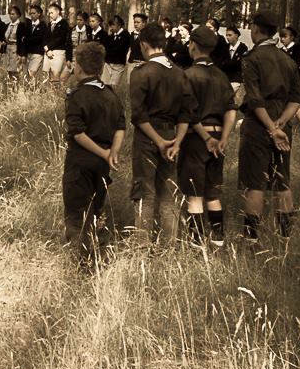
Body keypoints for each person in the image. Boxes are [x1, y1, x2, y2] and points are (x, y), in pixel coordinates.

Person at [126, 22, 192, 240]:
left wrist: (158, 141)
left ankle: (142, 243)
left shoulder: (141, 72)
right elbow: (186, 113)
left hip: (148, 135)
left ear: (144, 45)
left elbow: (138, 115)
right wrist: (177, 142)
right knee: (168, 192)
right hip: (172, 135)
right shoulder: (180, 73)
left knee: (144, 191)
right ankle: (170, 245)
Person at [239, 11, 300, 240]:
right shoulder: (288, 60)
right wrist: (281, 124)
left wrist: (271, 129)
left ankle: (251, 239)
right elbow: (296, 98)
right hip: (282, 122)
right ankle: (286, 237)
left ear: (255, 29)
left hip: (259, 123)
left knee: (255, 183)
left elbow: (255, 99)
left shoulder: (252, 58)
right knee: (282, 181)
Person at [62, 41, 125, 264]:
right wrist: (112, 153)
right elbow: (120, 126)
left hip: (81, 160)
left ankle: (81, 260)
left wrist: (103, 153)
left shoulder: (77, 95)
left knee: (77, 211)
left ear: (79, 67)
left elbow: (78, 133)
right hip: (103, 163)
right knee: (96, 208)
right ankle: (99, 252)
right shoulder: (111, 94)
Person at [180, 25, 238, 244]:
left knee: (195, 194)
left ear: (193, 45)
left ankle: (196, 243)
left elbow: (188, 112)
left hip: (197, 138)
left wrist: (206, 138)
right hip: (218, 137)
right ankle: (218, 240)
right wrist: (223, 138)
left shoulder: (189, 75)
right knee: (212, 193)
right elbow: (231, 109)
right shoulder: (222, 76)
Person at [43, 2, 71, 86]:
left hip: (58, 51)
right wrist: (47, 50)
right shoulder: (49, 24)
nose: (50, 15)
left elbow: (61, 38)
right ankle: (47, 92)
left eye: (52, 13)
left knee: (56, 75)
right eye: (49, 13)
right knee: (46, 75)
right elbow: (45, 38)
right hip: (48, 52)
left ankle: (55, 93)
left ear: (58, 12)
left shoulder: (63, 23)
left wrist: (48, 47)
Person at [102, 15, 132, 88]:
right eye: (110, 25)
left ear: (119, 25)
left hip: (118, 64)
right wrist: (108, 37)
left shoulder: (126, 35)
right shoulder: (111, 35)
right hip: (108, 63)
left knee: (113, 86)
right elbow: (105, 47)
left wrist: (109, 51)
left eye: (113, 25)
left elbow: (119, 49)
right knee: (104, 85)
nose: (111, 27)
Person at [20, 4, 45, 81]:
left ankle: (34, 87)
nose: (32, 15)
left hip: (37, 52)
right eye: (30, 13)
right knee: (25, 75)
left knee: (31, 73)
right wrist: (23, 54)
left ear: (39, 14)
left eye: (34, 13)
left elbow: (38, 39)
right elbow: (23, 41)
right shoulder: (27, 25)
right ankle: (28, 88)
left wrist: (26, 39)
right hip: (27, 53)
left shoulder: (43, 25)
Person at [2, 6, 23, 83]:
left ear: (18, 15)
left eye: (13, 14)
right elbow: (4, 36)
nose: (11, 16)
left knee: (15, 69)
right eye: (10, 14)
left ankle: (16, 85)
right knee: (8, 68)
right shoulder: (7, 25)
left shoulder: (21, 25)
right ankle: (9, 84)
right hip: (8, 47)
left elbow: (22, 40)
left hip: (16, 47)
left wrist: (21, 53)